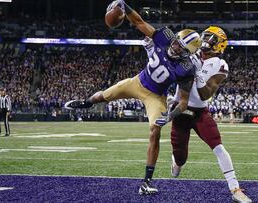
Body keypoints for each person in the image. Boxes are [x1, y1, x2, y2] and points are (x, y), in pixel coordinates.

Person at [64, 0, 202, 195]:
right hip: (138, 81)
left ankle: (146, 182)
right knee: (104, 96)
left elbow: (183, 103)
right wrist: (124, 6)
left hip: (156, 96)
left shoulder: (186, 68)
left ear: (188, 53)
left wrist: (169, 117)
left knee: (155, 130)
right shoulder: (164, 36)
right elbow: (138, 22)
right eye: (177, 42)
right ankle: (86, 103)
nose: (176, 47)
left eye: (182, 48)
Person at [168, 26, 252, 203]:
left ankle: (235, 188)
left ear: (220, 45)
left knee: (218, 147)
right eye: (206, 36)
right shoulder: (190, 52)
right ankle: (176, 162)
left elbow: (205, 94)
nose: (206, 40)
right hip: (180, 112)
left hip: (199, 113)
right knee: (180, 158)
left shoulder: (220, 64)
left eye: (211, 38)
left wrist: (198, 73)